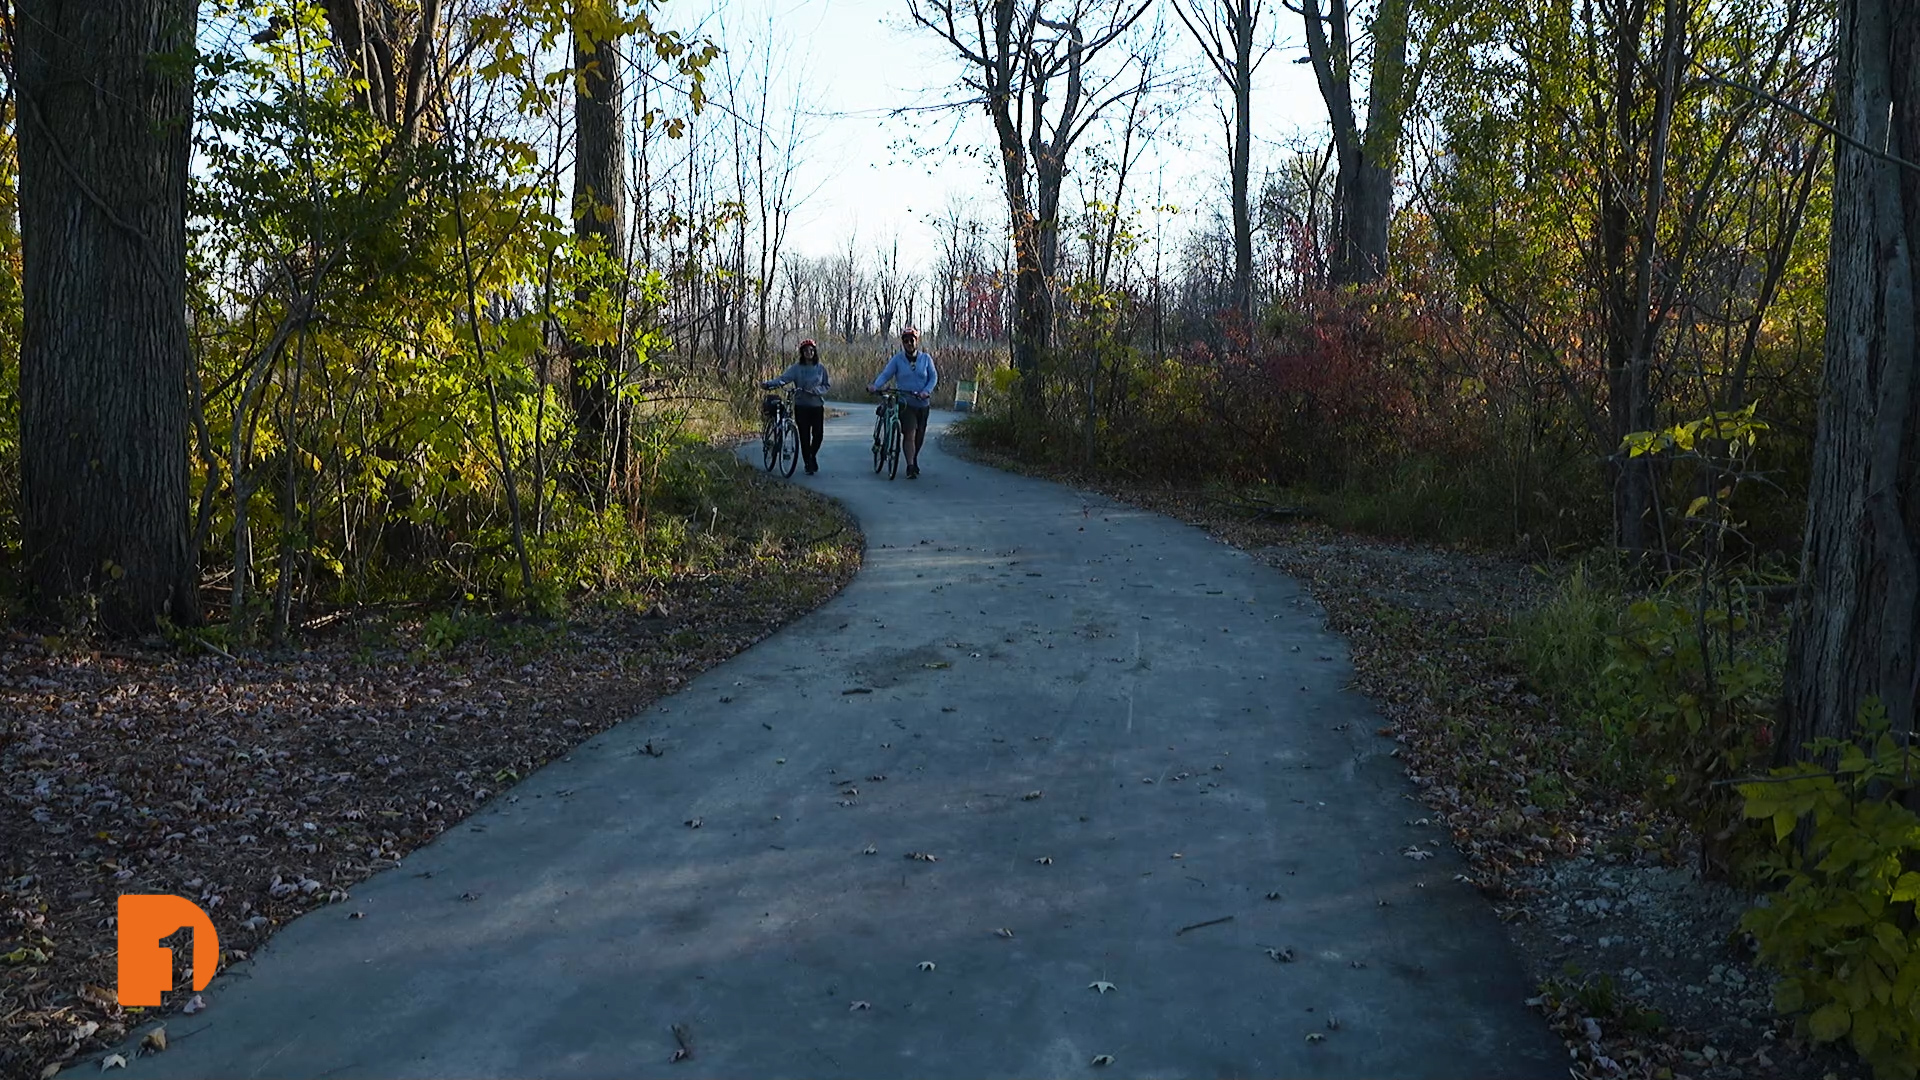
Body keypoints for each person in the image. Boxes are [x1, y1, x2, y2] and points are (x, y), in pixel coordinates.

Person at [867, 327, 937, 478]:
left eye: (911, 340)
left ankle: (914, 459)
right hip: (906, 403)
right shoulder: (897, 360)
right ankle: (910, 466)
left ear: (916, 341)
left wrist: (926, 391)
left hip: (922, 403)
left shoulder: (926, 359)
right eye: (905, 341)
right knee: (909, 434)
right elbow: (886, 374)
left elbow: (933, 377)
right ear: (902, 343)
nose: (909, 343)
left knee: (919, 437)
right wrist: (875, 386)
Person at [762, 339, 831, 474]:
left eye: (811, 350)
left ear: (814, 352)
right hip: (801, 406)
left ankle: (812, 456)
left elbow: (826, 385)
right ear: (802, 353)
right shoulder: (796, 368)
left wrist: (817, 391)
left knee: (818, 435)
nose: (808, 353)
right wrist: (769, 384)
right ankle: (808, 463)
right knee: (804, 436)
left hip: (817, 406)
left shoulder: (821, 369)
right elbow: (783, 379)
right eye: (805, 351)